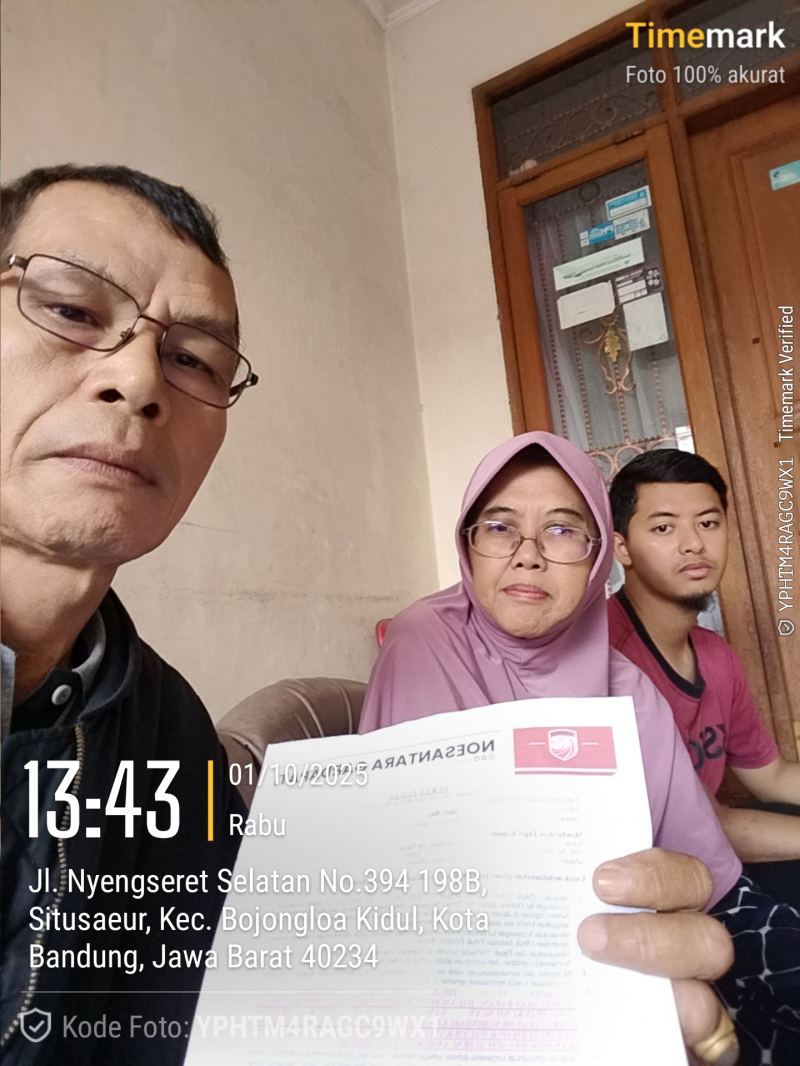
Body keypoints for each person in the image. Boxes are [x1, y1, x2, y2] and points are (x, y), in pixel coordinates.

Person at [360, 430, 748, 1064]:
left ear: (599, 558)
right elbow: (410, 878)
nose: (528, 556)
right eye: (499, 528)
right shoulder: (425, 640)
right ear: (467, 545)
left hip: (607, 983)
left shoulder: (631, 693)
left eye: (563, 531)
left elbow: (696, 876)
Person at [0, 165, 259, 1065]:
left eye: (193, 360)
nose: (141, 380)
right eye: (72, 310)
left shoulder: (168, 729)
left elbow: (196, 1014)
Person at [608, 448, 800, 907]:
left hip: (708, 859)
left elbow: (771, 775)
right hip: (643, 885)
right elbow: (696, 825)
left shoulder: (716, 657)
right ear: (621, 548)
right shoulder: (605, 657)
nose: (693, 543)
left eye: (708, 523)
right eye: (663, 528)